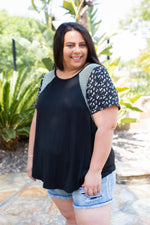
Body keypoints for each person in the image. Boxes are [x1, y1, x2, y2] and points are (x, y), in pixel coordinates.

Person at [27, 22, 120, 225]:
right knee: (71, 219)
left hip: (87, 174)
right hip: (55, 171)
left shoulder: (94, 74)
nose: (77, 50)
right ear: (59, 47)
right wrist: (32, 158)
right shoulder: (48, 78)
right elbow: (38, 117)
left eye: (82, 44)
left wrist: (94, 173)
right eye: (70, 45)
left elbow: (107, 126)